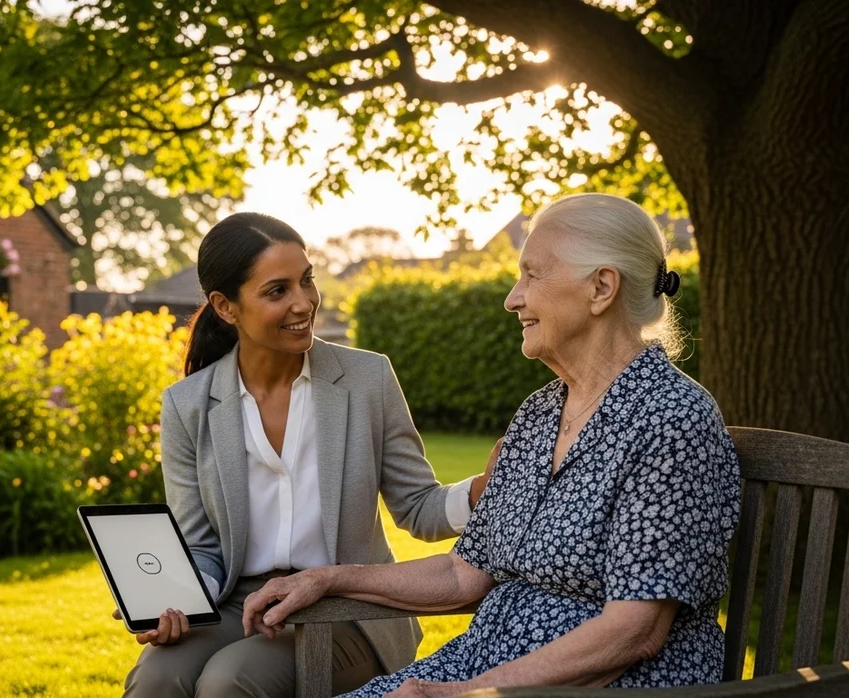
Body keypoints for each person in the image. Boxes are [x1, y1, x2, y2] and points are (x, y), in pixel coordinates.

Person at [243, 193, 742, 697]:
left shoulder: (671, 420)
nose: (513, 298)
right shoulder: (540, 414)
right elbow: (466, 574)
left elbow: (633, 632)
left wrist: (465, 694)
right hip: (482, 670)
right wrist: (328, 579)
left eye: (533, 274)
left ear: (601, 287)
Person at [121, 212, 499, 698]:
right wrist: (176, 601)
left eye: (306, 281)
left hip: (349, 605)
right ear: (225, 306)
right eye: (277, 291)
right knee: (157, 678)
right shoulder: (188, 404)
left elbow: (417, 507)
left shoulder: (367, 379)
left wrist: (480, 490)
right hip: (240, 604)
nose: (304, 303)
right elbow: (201, 549)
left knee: (230, 682)